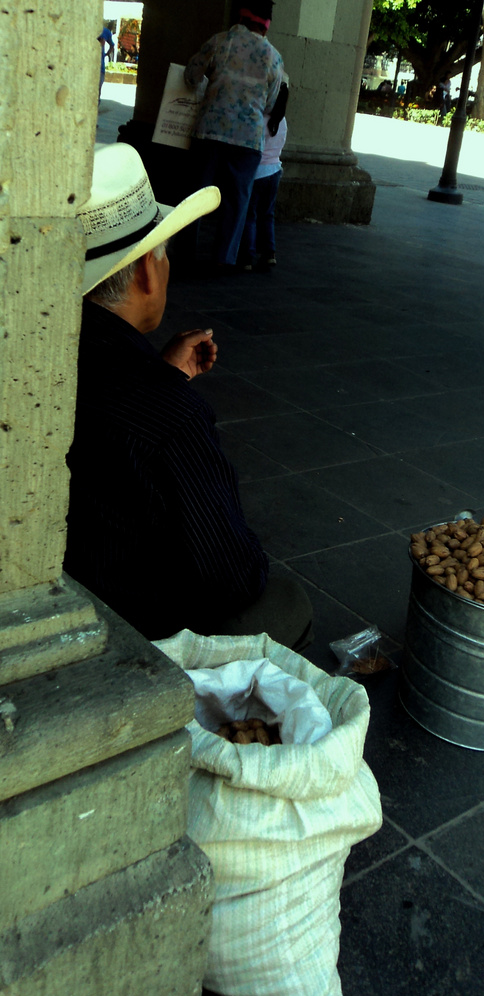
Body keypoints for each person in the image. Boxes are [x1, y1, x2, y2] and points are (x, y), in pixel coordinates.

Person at [65, 142, 313, 649]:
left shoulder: (40, 359)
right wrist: (163, 397)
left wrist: (159, 378)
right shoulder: (172, 419)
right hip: (132, 628)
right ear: (146, 273)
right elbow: (232, 578)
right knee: (284, 603)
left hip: (63, 584)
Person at [184, 2, 283, 273]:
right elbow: (271, 105)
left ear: (240, 16)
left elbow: (191, 75)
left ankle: (185, 252)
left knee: (196, 195)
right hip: (248, 139)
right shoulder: (273, 56)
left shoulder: (219, 41)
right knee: (237, 201)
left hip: (210, 131)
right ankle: (223, 259)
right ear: (266, 25)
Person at [240, 81, 288, 272]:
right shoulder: (282, 122)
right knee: (267, 215)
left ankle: (247, 257)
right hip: (275, 171)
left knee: (249, 215)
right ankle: (269, 253)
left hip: (257, 172)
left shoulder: (260, 119)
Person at [97, 25, 114, 99]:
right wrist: (106, 54)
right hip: (100, 64)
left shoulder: (105, 31)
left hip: (100, 65)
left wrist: (105, 54)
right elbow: (112, 46)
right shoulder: (106, 31)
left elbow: (112, 46)